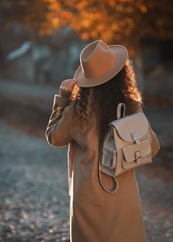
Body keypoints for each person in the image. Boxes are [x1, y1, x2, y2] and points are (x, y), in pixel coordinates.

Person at [45, 40, 159, 242]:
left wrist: (63, 99)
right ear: (122, 75)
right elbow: (153, 147)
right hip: (123, 196)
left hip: (87, 198)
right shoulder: (131, 106)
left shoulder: (77, 112)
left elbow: (54, 137)